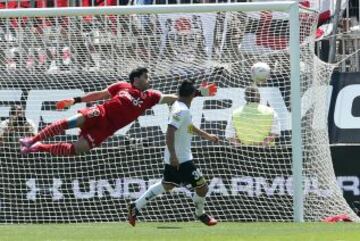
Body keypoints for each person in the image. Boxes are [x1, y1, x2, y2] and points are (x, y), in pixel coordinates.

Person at [20, 67, 216, 156]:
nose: (149, 80)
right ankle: (32, 139)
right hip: (100, 112)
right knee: (69, 122)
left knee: (76, 150)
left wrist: (198, 93)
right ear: (136, 78)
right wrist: (75, 100)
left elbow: (174, 98)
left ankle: (39, 147)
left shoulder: (151, 96)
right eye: (146, 77)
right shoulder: (121, 86)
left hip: (107, 129)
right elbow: (99, 95)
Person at [128, 80, 219, 227]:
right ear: (190, 95)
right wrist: (173, 155)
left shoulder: (179, 105)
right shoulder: (181, 110)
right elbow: (170, 131)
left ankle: (136, 205)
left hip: (177, 157)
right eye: (194, 94)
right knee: (203, 187)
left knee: (167, 185)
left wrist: (206, 135)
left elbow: (188, 126)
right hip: (181, 159)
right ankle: (200, 213)